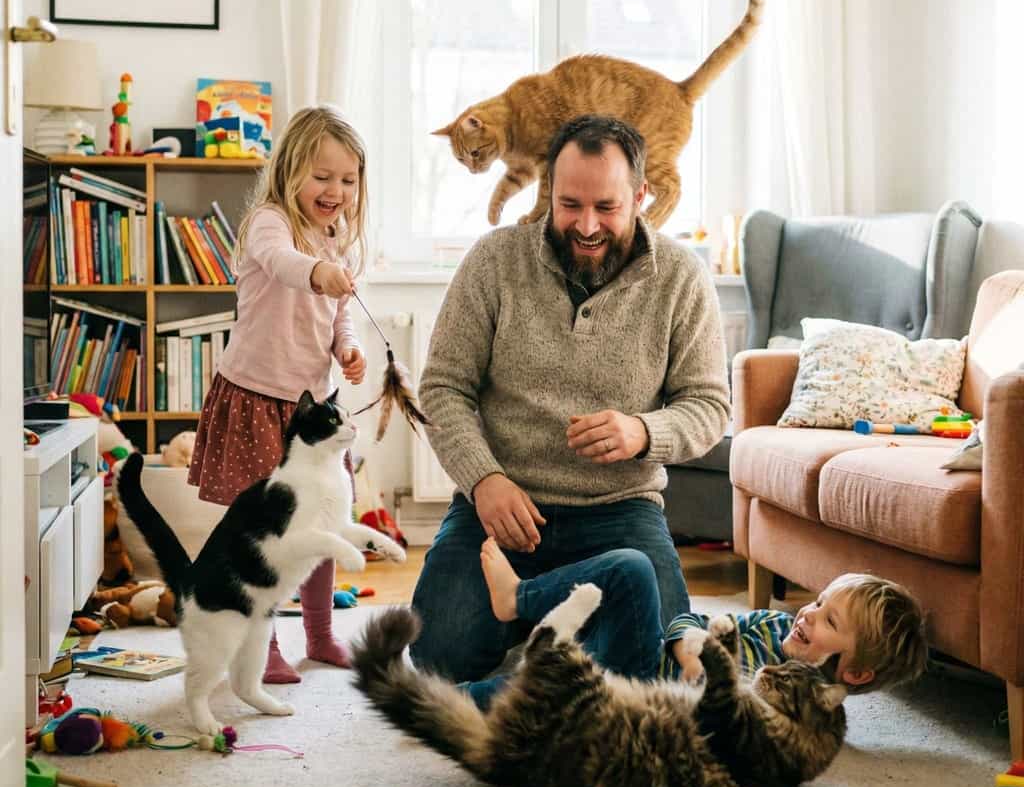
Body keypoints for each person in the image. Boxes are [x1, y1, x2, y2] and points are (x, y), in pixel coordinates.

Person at [411, 114, 731, 683]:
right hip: (502, 509)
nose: (586, 225)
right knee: (440, 655)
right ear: (548, 195)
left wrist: (642, 432)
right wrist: (485, 481)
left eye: (606, 207)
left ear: (641, 196)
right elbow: (442, 387)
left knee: (656, 664)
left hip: (620, 513)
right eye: (570, 204)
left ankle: (535, 637)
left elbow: (708, 407)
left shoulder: (682, 277)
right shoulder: (493, 262)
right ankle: (550, 636)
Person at [187, 104, 369, 684]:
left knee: (323, 520)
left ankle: (318, 634)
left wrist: (346, 347)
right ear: (290, 171)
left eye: (347, 179)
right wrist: (318, 272)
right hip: (255, 399)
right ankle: (259, 645)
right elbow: (284, 265)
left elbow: (339, 313)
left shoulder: (337, 239)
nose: (335, 190)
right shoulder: (270, 222)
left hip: (309, 411)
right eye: (322, 176)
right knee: (264, 534)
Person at [466, 537, 928, 708]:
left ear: (855, 672)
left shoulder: (807, 709)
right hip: (643, 656)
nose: (807, 613)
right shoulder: (770, 626)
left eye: (829, 619)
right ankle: (518, 600)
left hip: (643, 696)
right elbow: (691, 616)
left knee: (544, 693)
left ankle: (458, 700)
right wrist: (686, 640)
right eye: (818, 601)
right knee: (631, 567)